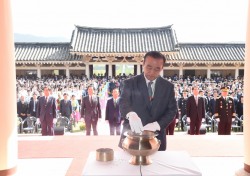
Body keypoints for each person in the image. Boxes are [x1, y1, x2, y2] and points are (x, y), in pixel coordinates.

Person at [118, 51, 177, 151]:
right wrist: (130, 113)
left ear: (162, 68)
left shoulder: (168, 87)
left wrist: (157, 125)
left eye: (157, 69)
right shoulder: (129, 83)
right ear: (143, 64)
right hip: (132, 136)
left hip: (156, 138)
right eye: (149, 67)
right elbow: (124, 102)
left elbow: (172, 111)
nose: (152, 72)